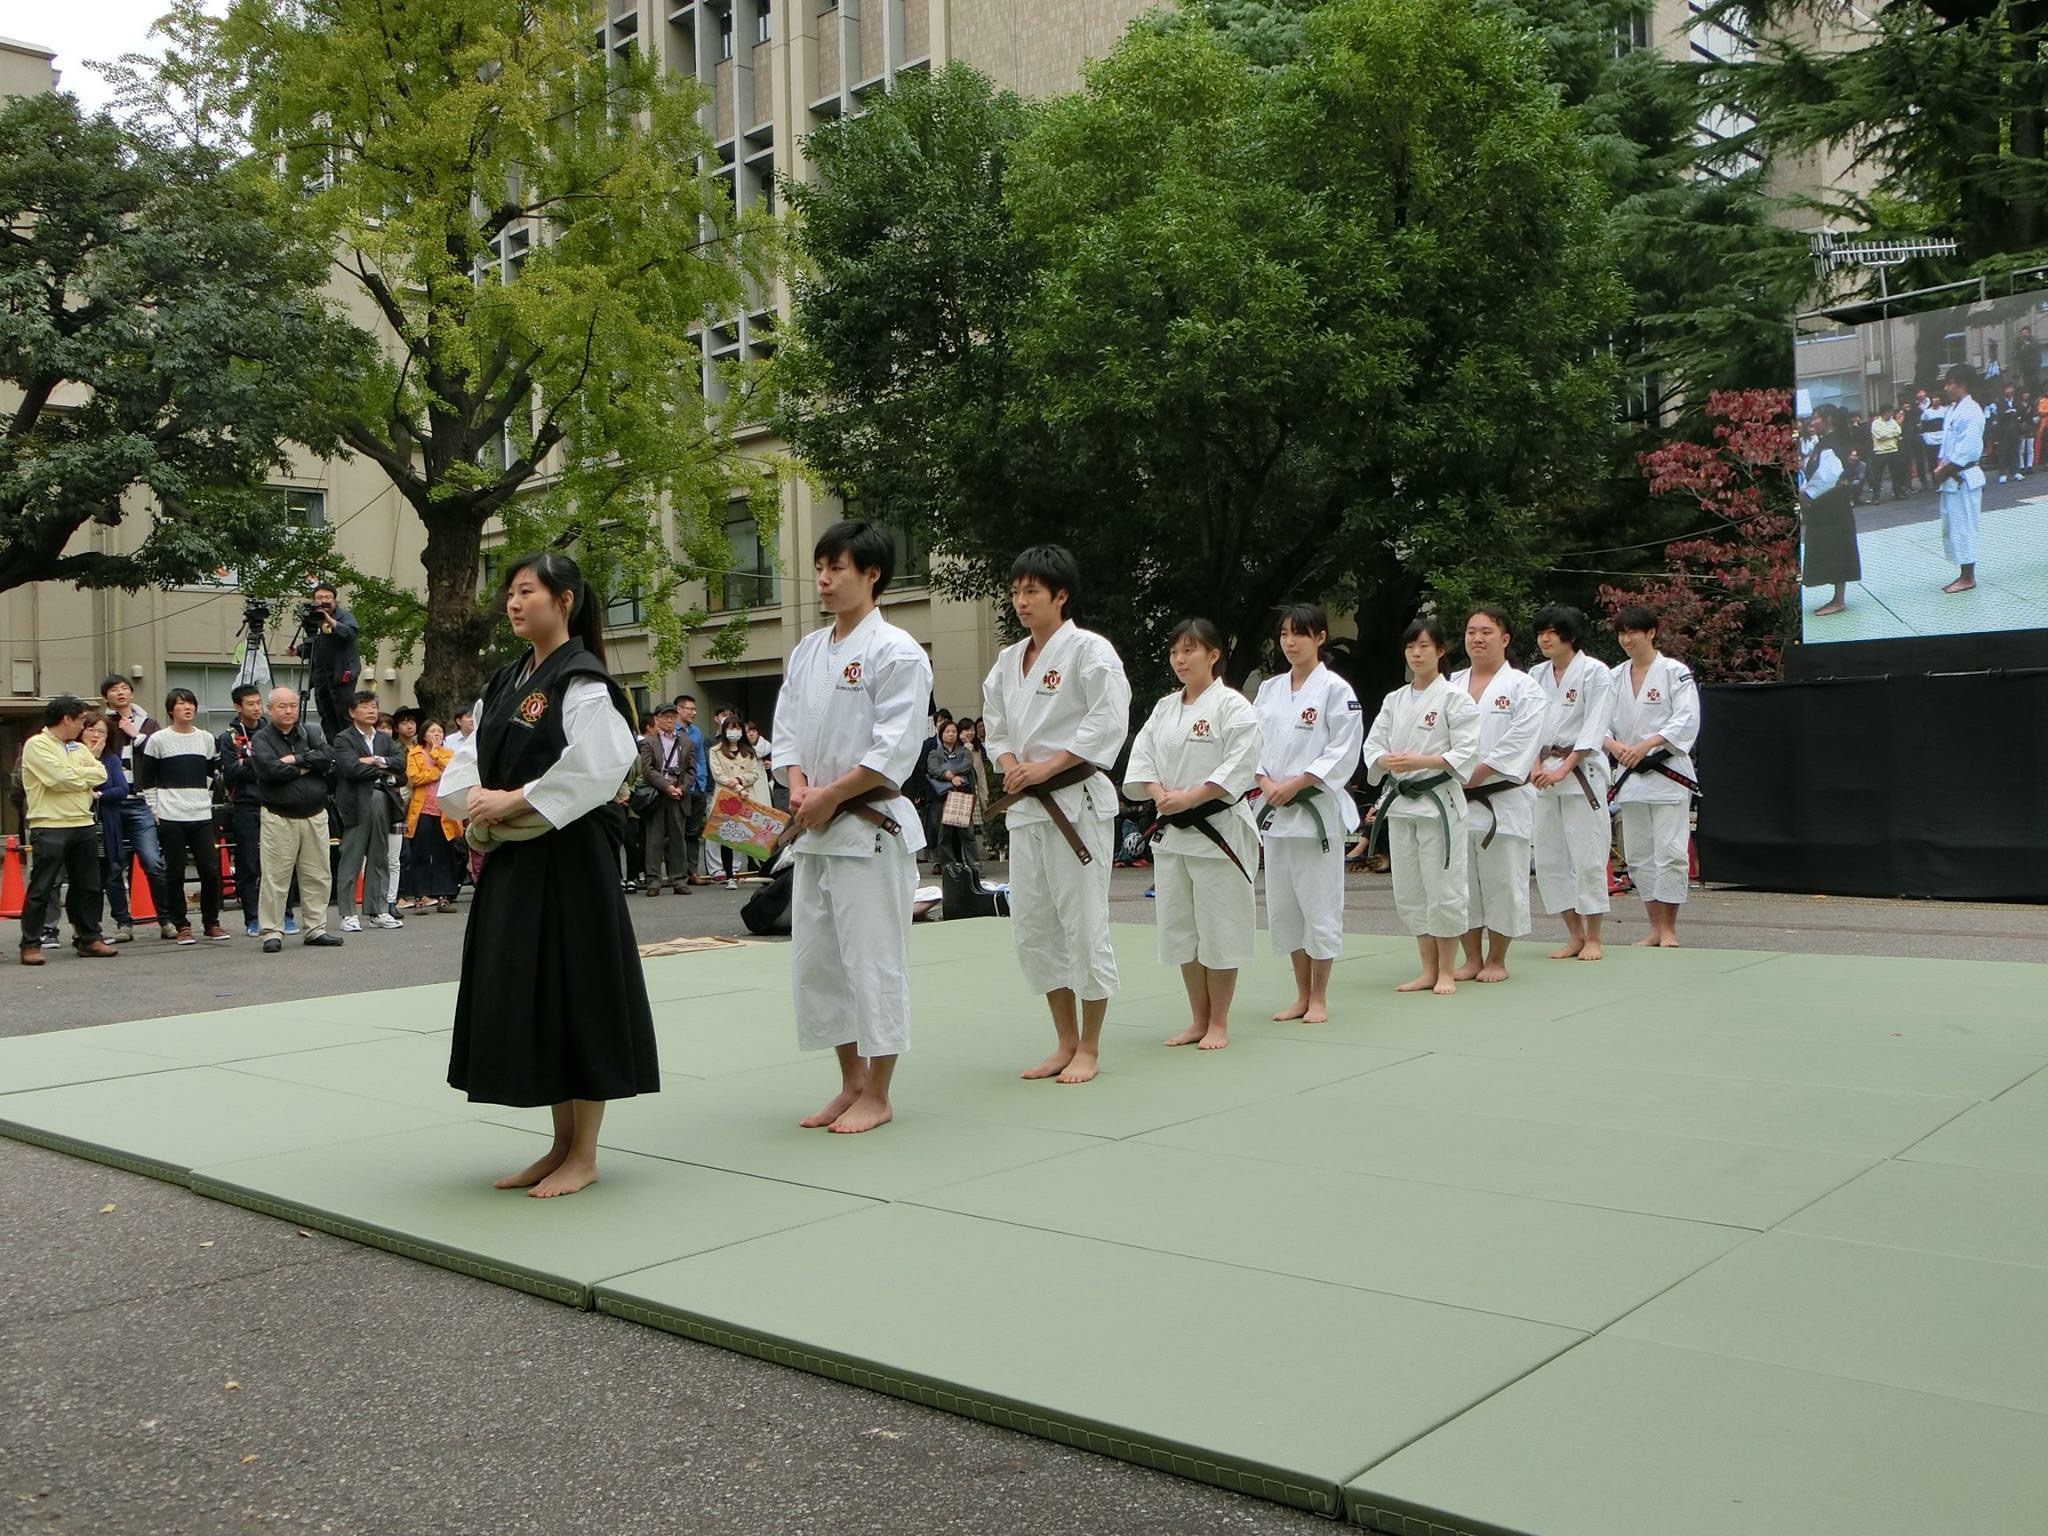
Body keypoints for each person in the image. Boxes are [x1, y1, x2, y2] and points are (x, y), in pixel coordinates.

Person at [441, 551, 655, 1195]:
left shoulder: (583, 680)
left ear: (564, 601)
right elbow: (465, 763)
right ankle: (560, 1144)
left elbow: (601, 765)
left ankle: (584, 1153)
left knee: (578, 989)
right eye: (509, 591)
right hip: (516, 859)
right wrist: (480, 803)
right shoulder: (505, 680)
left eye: (527, 591)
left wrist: (515, 799)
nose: (513, 602)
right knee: (537, 994)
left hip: (571, 861)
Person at [772, 521, 931, 1135]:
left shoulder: (897, 651)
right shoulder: (808, 650)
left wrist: (831, 794)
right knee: (819, 964)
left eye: (837, 568)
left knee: (874, 962)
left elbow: (895, 749)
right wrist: (797, 785)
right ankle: (851, 1081)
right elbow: (787, 731)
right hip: (816, 831)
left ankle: (880, 1093)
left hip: (869, 829)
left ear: (872, 574)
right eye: (820, 568)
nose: (824, 580)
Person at [982, 545, 1132, 1084]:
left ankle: (1090, 1046)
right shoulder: (1007, 661)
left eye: (1032, 592)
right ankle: (1064, 1040)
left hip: (1076, 804)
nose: (1021, 602)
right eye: (1015, 592)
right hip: (1028, 810)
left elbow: (1108, 720)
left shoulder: (1090, 651)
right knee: (1034, 928)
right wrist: (1011, 766)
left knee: (1084, 924)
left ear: (1060, 596)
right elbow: (996, 726)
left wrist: (1048, 766)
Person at [1125, 618, 1260, 1051]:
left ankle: (1218, 1022)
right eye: (1174, 652)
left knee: (1220, 928)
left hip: (1218, 832)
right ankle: (1197, 1019)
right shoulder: (1165, 708)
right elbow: (1143, 757)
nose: (1180, 660)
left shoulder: (1234, 707)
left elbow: (1239, 765)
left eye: (1189, 651)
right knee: (1181, 930)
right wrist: (1159, 794)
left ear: (1213, 655)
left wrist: (1192, 797)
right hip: (1173, 834)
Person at [1252, 602, 1363, 1025]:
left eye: (1299, 633)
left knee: (1319, 905)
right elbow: (1252, 742)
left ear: (1320, 637)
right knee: (1285, 909)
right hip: (1276, 812)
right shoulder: (1269, 689)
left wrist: (1298, 783)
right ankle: (1300, 994)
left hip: (1314, 810)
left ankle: (1319, 997)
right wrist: (1264, 781)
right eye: (1284, 634)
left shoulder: (1336, 690)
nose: (1290, 642)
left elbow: (1343, 750)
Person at [1363, 617, 1481, 996]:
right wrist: (1385, 760)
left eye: (1424, 646)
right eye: (1411, 646)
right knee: (1411, 890)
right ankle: (1427, 969)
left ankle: (1447, 970)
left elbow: (1467, 750)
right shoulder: (1394, 700)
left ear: (1440, 651)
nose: (1416, 653)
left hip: (1438, 803)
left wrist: (1422, 761)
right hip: (1401, 805)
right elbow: (1373, 745)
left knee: (1444, 887)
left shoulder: (1455, 699)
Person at [1448, 606, 1545, 985]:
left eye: (1486, 631)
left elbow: (1523, 738)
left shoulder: (1524, 687)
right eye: (1471, 631)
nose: (1477, 638)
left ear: (1504, 639)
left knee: (1503, 882)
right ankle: (1471, 957)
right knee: (1462, 884)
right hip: (1457, 798)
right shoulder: (1451, 684)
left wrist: (1480, 771)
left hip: (1503, 800)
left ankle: (1497, 958)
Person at [1603, 603, 1701, 948]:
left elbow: (1687, 718)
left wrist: (1648, 743)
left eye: (1633, 632)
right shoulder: (1613, 677)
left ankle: (1670, 927)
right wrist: (1613, 745)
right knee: (1639, 854)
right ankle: (1654, 926)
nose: (1626, 639)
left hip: (1667, 773)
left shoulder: (1674, 672)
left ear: (1651, 633)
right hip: (1630, 775)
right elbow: (1597, 721)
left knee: (1671, 852)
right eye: (1621, 633)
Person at [1529, 604, 1614, 962]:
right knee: (1549, 858)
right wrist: (1534, 764)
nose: (1545, 639)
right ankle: (1574, 934)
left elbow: (1595, 726)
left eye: (1552, 632)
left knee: (1588, 855)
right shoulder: (1535, 674)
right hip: (1542, 775)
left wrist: (1564, 768)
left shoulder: (1595, 673)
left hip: (1581, 774)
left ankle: (1594, 936)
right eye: (1541, 632)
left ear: (1571, 636)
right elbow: (1528, 724)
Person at [18, 696, 117, 965]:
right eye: (81, 720)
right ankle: (31, 943)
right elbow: (57, 779)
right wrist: (82, 775)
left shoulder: (77, 747)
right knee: (43, 886)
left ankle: (88, 938)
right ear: (66, 719)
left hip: (83, 822)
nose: (83, 726)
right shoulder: (37, 745)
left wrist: (76, 773)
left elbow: (101, 774)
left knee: (88, 886)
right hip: (49, 824)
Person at [251, 687, 343, 953]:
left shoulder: (311, 731)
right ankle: (271, 931)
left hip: (315, 814)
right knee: (275, 877)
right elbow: (270, 771)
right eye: (282, 706)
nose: (289, 710)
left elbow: (328, 758)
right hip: (279, 816)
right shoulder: (262, 739)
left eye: (292, 705)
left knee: (318, 874)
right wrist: (308, 766)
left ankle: (316, 928)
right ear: (270, 710)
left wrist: (295, 760)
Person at [140, 687, 227, 943]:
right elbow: (147, 779)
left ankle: (211, 922)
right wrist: (155, 809)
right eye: (181, 704)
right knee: (175, 872)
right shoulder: (158, 740)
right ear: (170, 709)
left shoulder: (206, 739)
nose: (187, 708)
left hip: (201, 814)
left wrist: (204, 798)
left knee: (210, 870)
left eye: (191, 703)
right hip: (171, 815)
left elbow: (211, 773)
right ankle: (181, 925)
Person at [98, 674, 170, 940]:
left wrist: (135, 735)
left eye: (124, 688)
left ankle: (166, 920)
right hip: (111, 802)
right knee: (114, 866)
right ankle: (123, 923)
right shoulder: (101, 724)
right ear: (105, 696)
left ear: (132, 693)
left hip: (141, 802)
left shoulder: (148, 723)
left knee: (152, 861)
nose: (120, 692)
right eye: (113, 689)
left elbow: (161, 753)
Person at [219, 684, 294, 937]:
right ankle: (252, 918)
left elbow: (286, 764)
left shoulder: (273, 731)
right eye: (250, 704)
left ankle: (286, 915)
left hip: (276, 801)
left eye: (259, 703)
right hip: (245, 804)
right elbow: (231, 771)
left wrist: (250, 762)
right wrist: (263, 763)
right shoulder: (229, 737)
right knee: (249, 863)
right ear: (238, 707)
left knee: (282, 861)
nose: (256, 708)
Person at [331, 692, 406, 933]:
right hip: (356, 802)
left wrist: (374, 760)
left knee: (379, 855)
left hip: (382, 799)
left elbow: (400, 763)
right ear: (352, 712)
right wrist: (383, 768)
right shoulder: (344, 738)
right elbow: (350, 768)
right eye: (365, 706)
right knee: (351, 856)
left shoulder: (384, 738)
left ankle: (378, 909)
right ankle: (348, 913)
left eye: (374, 706)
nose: (371, 710)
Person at [1931, 366, 1988, 595]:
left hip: (1964, 476)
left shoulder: (1972, 411)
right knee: (1954, 525)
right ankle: (1963, 573)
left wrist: (1946, 468)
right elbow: (1948, 444)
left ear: (1961, 384)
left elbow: (1968, 448)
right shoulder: (1954, 410)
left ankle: (1968, 577)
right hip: (1952, 477)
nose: (1946, 388)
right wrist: (1940, 465)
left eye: (1949, 383)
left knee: (1965, 526)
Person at [1798, 408, 1859, 618]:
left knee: (1836, 548)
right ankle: (1837, 597)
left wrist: (1807, 494)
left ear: (1828, 419)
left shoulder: (1833, 443)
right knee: (1830, 547)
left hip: (1833, 507)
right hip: (1826, 507)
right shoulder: (1826, 442)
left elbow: (1829, 475)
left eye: (1816, 418)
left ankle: (1839, 599)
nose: (1813, 422)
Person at [286, 581, 363, 739]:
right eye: (320, 598)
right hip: (321, 675)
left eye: (328, 597)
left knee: (344, 716)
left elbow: (351, 633)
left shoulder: (344, 616)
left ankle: (349, 748)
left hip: (341, 675)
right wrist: (298, 650)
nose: (324, 601)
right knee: (326, 716)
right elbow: (315, 643)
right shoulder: (314, 619)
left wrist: (330, 621)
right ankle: (332, 748)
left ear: (334, 600)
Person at [403, 721, 462, 912]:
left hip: (444, 809)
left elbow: (452, 771)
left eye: (440, 731)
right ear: (423, 734)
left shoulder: (448, 753)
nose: (437, 734)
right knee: (420, 852)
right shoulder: (414, 753)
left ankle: (443, 895)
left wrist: (436, 753)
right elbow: (414, 778)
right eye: (432, 731)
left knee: (444, 853)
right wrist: (436, 772)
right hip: (422, 810)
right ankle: (420, 895)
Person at [708, 716, 770, 887]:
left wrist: (740, 780)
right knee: (727, 837)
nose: (733, 732)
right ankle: (730, 876)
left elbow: (754, 773)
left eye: (736, 728)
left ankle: (765, 871)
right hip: (726, 797)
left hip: (746, 796)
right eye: (730, 728)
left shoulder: (749, 751)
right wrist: (736, 786)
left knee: (754, 835)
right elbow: (718, 775)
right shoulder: (715, 751)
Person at [638, 702, 692, 895]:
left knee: (678, 838)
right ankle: (654, 880)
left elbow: (691, 770)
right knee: (654, 839)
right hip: (657, 794)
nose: (669, 720)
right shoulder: (649, 742)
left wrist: (682, 788)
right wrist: (666, 786)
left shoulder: (686, 741)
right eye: (665, 716)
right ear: (657, 719)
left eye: (672, 716)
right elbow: (648, 770)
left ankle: (679, 879)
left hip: (678, 794)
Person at [925, 718, 979, 868]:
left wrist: (951, 772)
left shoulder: (964, 751)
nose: (951, 734)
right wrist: (948, 775)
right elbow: (932, 769)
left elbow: (967, 765)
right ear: (941, 734)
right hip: (942, 797)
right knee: (944, 835)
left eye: (954, 731)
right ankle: (948, 866)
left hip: (961, 795)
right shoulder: (934, 753)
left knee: (967, 833)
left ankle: (974, 866)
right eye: (947, 731)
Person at [674, 694, 711, 884]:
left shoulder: (696, 731)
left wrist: (702, 781)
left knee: (693, 832)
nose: (694, 712)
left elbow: (701, 757)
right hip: (679, 787)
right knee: (677, 831)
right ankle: (678, 872)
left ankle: (693, 871)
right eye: (690, 709)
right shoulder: (671, 730)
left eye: (695, 709)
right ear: (679, 709)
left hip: (697, 786)